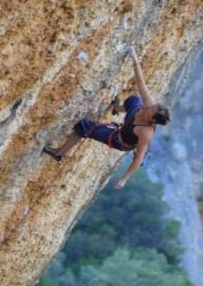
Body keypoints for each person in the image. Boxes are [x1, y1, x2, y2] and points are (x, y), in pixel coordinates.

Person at [43, 46, 170, 189]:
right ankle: (117, 107)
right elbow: (141, 83)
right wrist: (134, 59)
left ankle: (58, 153)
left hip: (119, 138)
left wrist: (124, 179)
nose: (149, 106)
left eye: (152, 109)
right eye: (152, 106)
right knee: (135, 99)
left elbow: (138, 158)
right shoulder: (149, 107)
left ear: (152, 119)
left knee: (85, 127)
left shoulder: (146, 133)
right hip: (130, 119)